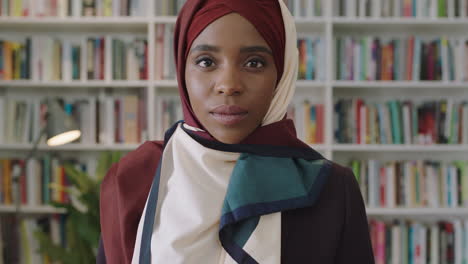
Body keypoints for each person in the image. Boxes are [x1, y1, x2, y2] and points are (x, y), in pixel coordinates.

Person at [97, 0, 375, 263]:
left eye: (254, 62)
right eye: (206, 61)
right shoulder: (133, 179)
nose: (228, 85)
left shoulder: (331, 188)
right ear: (182, 69)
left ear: (282, 72)